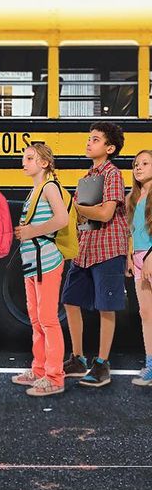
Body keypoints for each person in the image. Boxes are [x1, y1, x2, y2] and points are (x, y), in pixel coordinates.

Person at [60, 121, 128, 387]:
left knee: (105, 306)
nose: (89, 142)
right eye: (89, 138)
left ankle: (102, 364)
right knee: (70, 299)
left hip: (108, 249)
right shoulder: (87, 178)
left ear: (109, 148)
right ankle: (78, 358)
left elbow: (105, 213)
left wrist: (76, 206)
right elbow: (84, 217)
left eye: (96, 139)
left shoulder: (112, 174)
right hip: (85, 248)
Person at [12, 143, 71, 397]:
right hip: (33, 263)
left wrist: (30, 231)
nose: (24, 162)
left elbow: (62, 219)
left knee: (47, 319)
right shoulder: (35, 190)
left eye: (29, 158)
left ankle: (55, 377)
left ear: (44, 163)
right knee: (37, 319)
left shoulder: (49, 188)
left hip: (47, 261)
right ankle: (39, 369)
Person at [127, 149, 152, 387]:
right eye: (136, 164)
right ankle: (151, 366)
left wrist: (149, 258)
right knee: (146, 314)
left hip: (150, 259)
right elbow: (131, 232)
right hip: (137, 259)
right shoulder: (133, 198)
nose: (139, 167)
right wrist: (129, 256)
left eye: (145, 163)